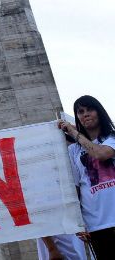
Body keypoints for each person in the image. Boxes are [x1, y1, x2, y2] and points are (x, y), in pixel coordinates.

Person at [59, 95, 115, 258]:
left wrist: (73, 132)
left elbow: (101, 154)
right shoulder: (73, 151)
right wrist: (77, 223)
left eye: (89, 109)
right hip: (96, 225)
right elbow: (74, 188)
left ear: (99, 112)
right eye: (80, 112)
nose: (85, 114)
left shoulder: (111, 138)